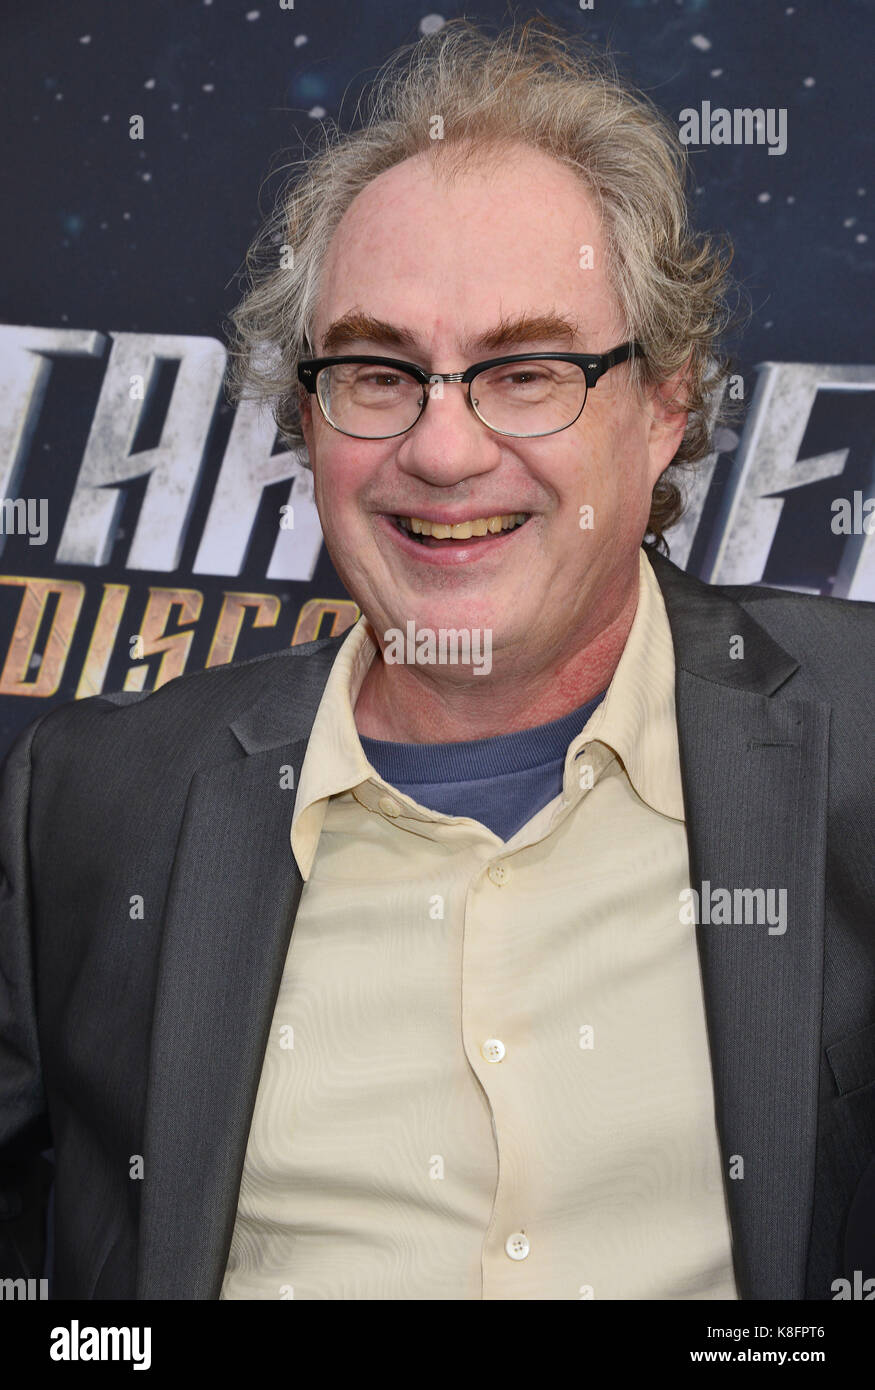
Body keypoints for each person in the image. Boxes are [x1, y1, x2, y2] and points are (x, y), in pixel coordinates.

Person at [1, 17, 873, 1302]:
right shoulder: (90, 803)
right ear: (306, 414)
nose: (444, 449)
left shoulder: (856, 740)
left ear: (664, 405)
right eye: (376, 370)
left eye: (526, 372)